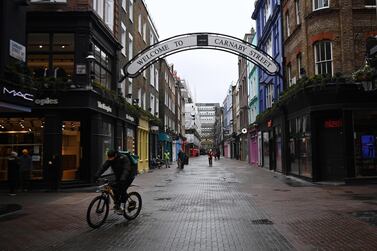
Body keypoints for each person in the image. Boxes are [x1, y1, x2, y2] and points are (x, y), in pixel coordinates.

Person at [95, 149, 136, 214]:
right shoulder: (110, 160)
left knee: (122, 189)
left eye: (111, 158)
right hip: (119, 175)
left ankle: (122, 207)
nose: (110, 159)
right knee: (114, 188)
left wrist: (123, 178)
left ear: (115, 155)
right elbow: (103, 167)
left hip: (129, 175)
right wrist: (97, 175)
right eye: (109, 158)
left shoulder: (123, 158)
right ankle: (117, 204)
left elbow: (126, 169)